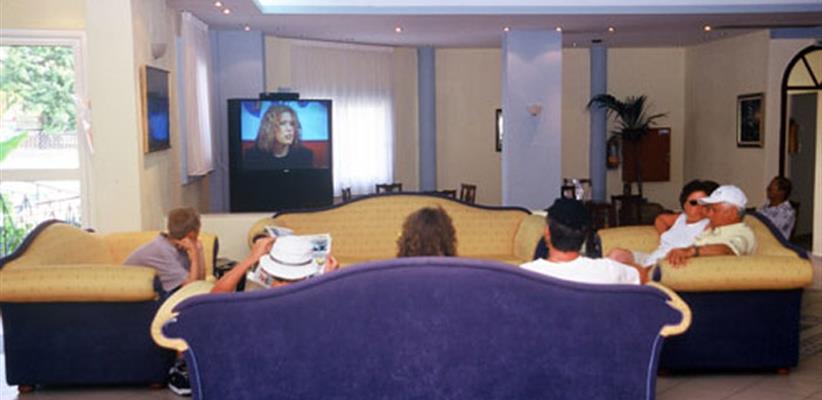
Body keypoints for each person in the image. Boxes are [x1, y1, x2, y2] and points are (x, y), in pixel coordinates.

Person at [520, 198, 646, 285]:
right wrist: (627, 262)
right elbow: (643, 276)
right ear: (585, 236)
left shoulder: (525, 275)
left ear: (547, 232)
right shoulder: (608, 270)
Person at [607, 180, 718, 267]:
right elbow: (660, 219)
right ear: (684, 204)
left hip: (665, 266)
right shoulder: (681, 217)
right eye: (693, 203)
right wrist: (664, 236)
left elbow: (720, 245)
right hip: (651, 258)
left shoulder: (708, 223)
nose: (699, 207)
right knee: (616, 254)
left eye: (703, 203)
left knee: (619, 271)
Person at [666, 185, 757, 267]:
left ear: (732, 213)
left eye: (714, 210)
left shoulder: (742, 233)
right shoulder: (711, 229)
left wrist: (692, 251)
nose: (708, 214)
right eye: (709, 209)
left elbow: (728, 250)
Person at [124, 207, 205, 293]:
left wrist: (199, 250)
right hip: (128, 292)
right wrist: (195, 254)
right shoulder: (163, 251)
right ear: (190, 234)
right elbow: (190, 288)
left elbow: (199, 283)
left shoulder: (179, 247)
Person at [244, 105, 314, 169]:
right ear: (270, 127)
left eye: (292, 124)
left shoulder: (304, 156)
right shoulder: (253, 157)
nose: (289, 129)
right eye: (283, 123)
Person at [758, 176, 795, 240]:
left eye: (771, 188)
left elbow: (769, 229)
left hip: (773, 242)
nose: (768, 189)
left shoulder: (787, 212)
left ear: (781, 192)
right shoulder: (766, 206)